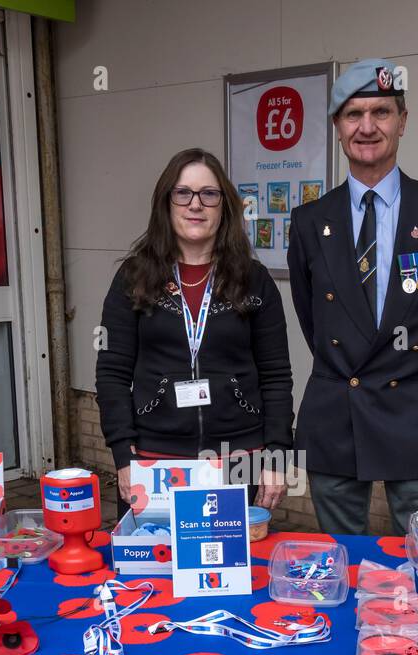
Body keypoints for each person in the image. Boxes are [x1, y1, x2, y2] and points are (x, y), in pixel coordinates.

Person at [287, 59, 418, 535]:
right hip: (337, 412)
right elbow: (315, 323)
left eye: (381, 112)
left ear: (403, 122)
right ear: (337, 127)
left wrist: (416, 373)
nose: (367, 127)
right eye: (353, 114)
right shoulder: (310, 221)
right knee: (344, 557)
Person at [97, 148, 291, 510]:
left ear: (224, 206)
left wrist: (277, 456)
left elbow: (276, 376)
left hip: (238, 460)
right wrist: (124, 454)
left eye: (209, 194)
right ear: (166, 203)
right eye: (183, 193)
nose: (195, 204)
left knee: (230, 566)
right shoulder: (133, 277)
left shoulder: (254, 281)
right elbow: (112, 373)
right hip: (155, 461)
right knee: (153, 565)